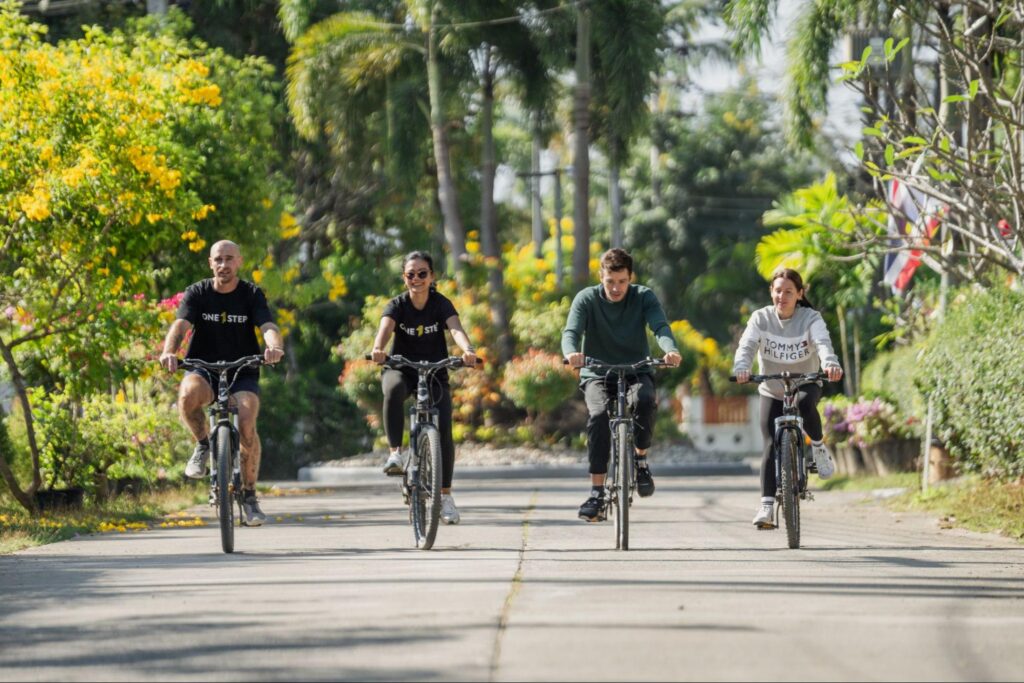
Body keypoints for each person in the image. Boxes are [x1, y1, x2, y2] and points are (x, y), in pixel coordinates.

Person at [159, 240, 284, 527]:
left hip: (243, 369)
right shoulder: (198, 292)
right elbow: (180, 326)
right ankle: (204, 444)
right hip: (204, 367)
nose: (223, 265)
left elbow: (268, 327)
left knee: (247, 419)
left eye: (229, 259)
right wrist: (169, 351)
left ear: (239, 262)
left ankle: (250, 497)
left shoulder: (251, 294)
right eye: (218, 259)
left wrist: (274, 347)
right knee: (188, 395)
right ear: (210, 263)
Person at [562, 248, 682, 522]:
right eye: (610, 281)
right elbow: (572, 331)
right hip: (597, 372)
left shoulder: (644, 297)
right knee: (598, 416)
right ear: (601, 277)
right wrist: (572, 353)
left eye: (622, 282)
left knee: (645, 400)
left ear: (631, 278)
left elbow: (660, 327)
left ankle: (640, 460)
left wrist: (670, 349)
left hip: (636, 369)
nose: (616, 288)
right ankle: (596, 492)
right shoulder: (587, 299)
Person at [369, 251, 478, 525]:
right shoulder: (397, 305)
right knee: (392, 390)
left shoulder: (441, 304)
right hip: (401, 367)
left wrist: (467, 350)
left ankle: (446, 496)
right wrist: (378, 349)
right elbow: (384, 329)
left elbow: (455, 329)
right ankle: (395, 453)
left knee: (443, 431)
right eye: (410, 274)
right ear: (404, 278)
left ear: (432, 277)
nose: (416, 279)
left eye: (422, 274)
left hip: (435, 371)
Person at [732, 267, 844, 529]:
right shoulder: (761, 318)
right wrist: (741, 367)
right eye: (778, 291)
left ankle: (817, 447)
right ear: (771, 291)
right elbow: (747, 345)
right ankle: (767, 506)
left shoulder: (810, 318)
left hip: (805, 382)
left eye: (789, 292)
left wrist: (830, 364)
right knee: (771, 443)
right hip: (771, 388)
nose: (782, 296)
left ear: (799, 294)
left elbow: (823, 343)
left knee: (805, 404)